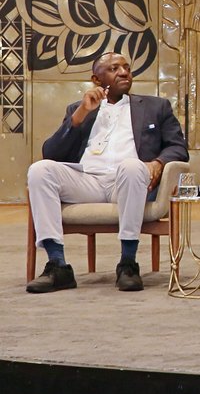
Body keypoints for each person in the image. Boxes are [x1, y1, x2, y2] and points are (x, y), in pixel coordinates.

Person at [27, 52, 189, 293]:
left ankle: (128, 264)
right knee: (40, 170)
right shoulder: (79, 109)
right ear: (96, 79)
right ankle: (58, 266)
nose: (123, 72)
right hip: (87, 181)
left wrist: (157, 162)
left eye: (126, 67)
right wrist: (80, 115)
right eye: (114, 69)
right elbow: (52, 153)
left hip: (129, 182)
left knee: (132, 165)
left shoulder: (156, 107)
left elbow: (178, 147)